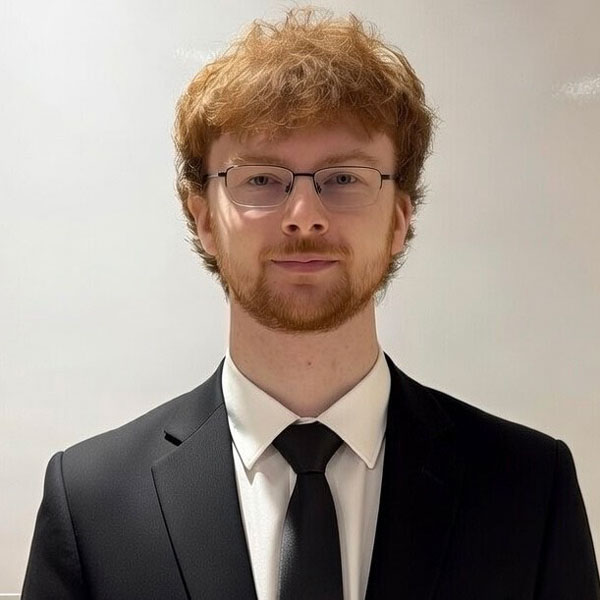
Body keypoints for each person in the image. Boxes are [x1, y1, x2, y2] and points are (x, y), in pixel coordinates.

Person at [22, 8, 599, 600]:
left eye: (344, 178)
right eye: (261, 180)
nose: (304, 216)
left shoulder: (531, 490)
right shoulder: (91, 503)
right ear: (205, 221)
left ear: (399, 220)